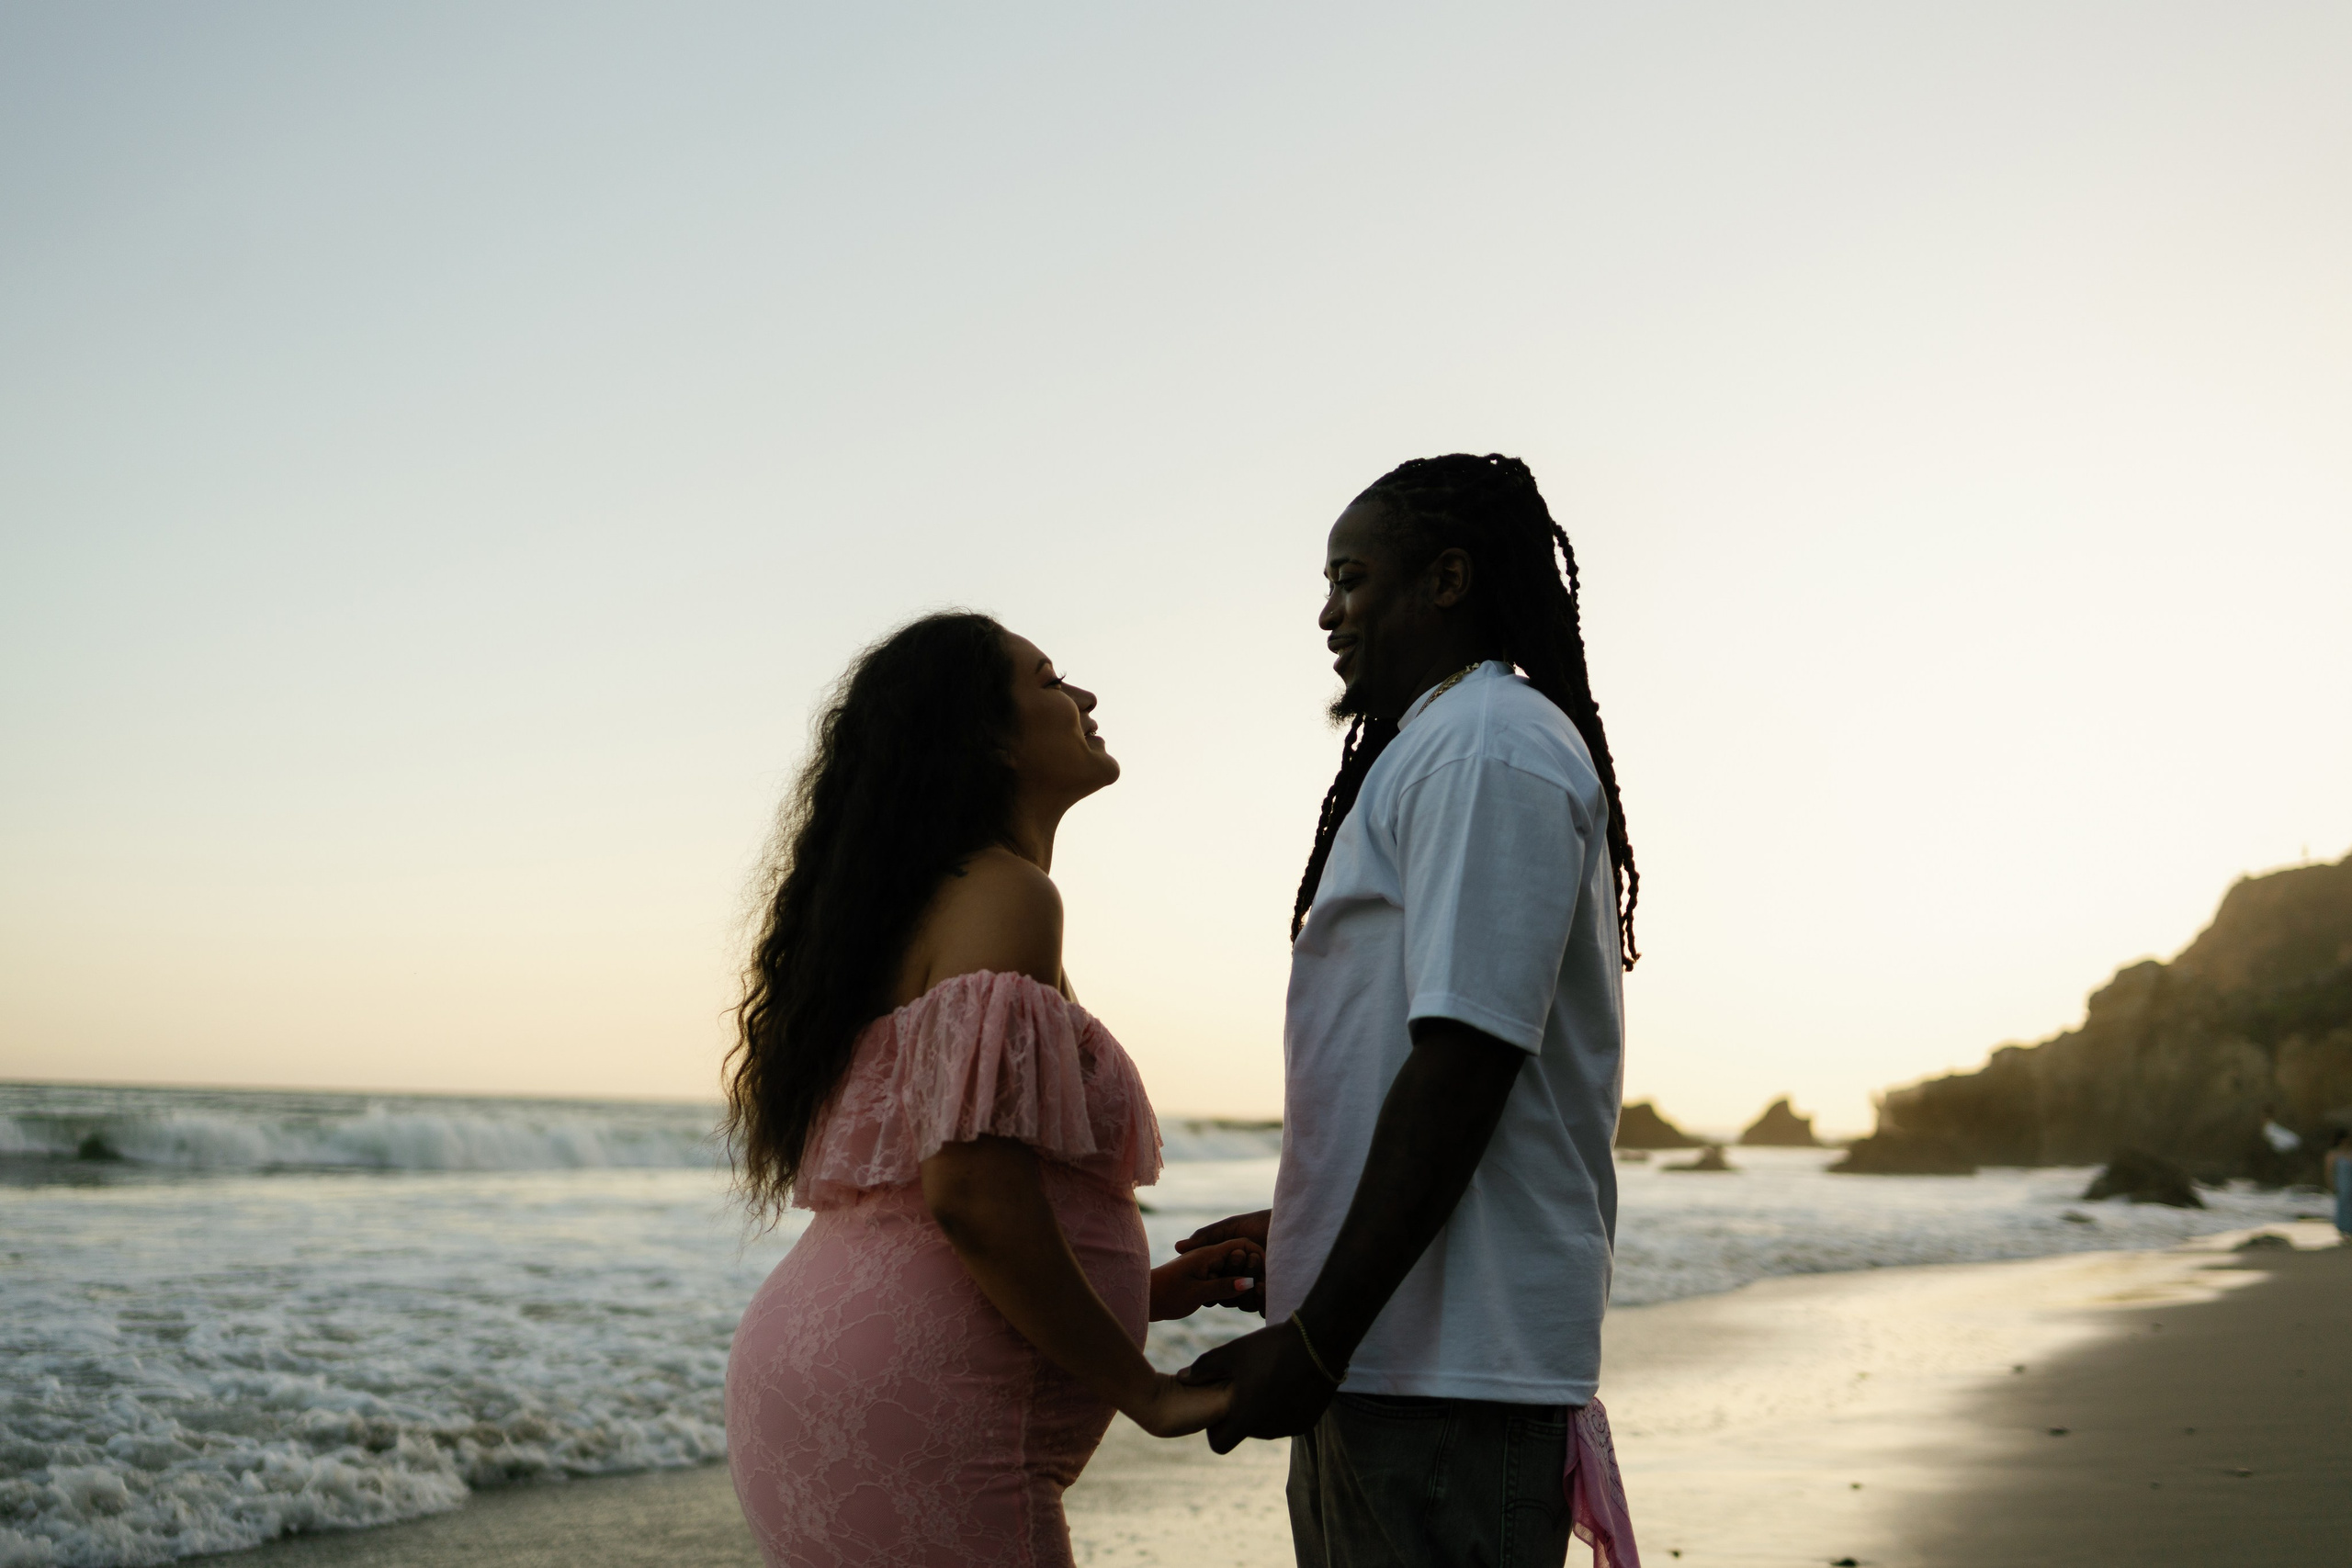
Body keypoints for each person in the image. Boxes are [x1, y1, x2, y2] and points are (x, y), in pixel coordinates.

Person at [1178, 455, 1642, 1568]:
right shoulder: (1440, 744)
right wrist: (1316, 1234)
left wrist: (1316, 1337)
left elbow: (1467, 1061)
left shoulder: (1488, 743)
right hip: (1404, 1360)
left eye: (1351, 576)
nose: (1327, 611)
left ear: (1444, 580)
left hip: (1438, 1376)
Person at [722, 612, 1259, 1568]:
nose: (1085, 698)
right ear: (984, 736)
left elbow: (922, 1202)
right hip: (926, 1403)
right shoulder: (1007, 896)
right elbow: (968, 1192)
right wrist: (1148, 1388)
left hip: (825, 1372)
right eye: (1052, 681)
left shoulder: (922, 911)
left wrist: (1141, 1293)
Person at [2325, 1127, 2352, 1237]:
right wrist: (2331, 1185)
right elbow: (2328, 1171)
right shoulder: (2333, 1154)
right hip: (2342, 1185)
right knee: (2343, 1206)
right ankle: (2343, 1231)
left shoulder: (2350, 1153)